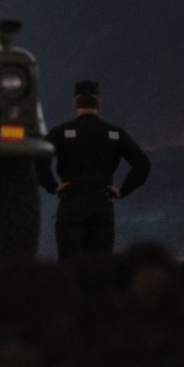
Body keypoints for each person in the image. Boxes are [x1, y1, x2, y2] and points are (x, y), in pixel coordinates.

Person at [36, 80, 150, 260]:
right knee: (100, 267)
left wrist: (52, 185)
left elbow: (40, 158)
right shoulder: (114, 134)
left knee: (70, 266)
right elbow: (142, 164)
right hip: (102, 203)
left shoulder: (61, 132)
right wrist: (123, 190)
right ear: (99, 103)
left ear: (75, 103)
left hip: (71, 201)